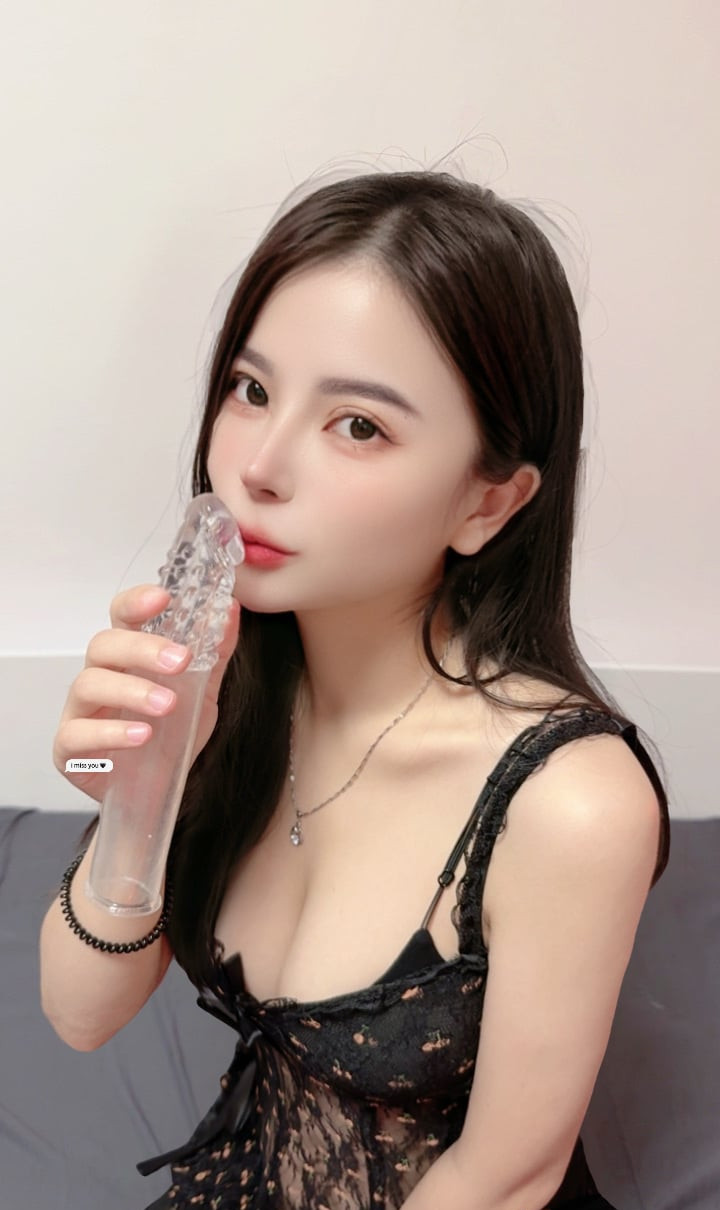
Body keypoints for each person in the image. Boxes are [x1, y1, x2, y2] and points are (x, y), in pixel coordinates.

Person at [42, 168, 671, 1210]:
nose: (259, 466)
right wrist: (142, 794)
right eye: (251, 390)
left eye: (359, 426)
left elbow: (506, 1177)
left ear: (487, 502)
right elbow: (80, 1014)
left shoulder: (571, 803)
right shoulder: (228, 688)